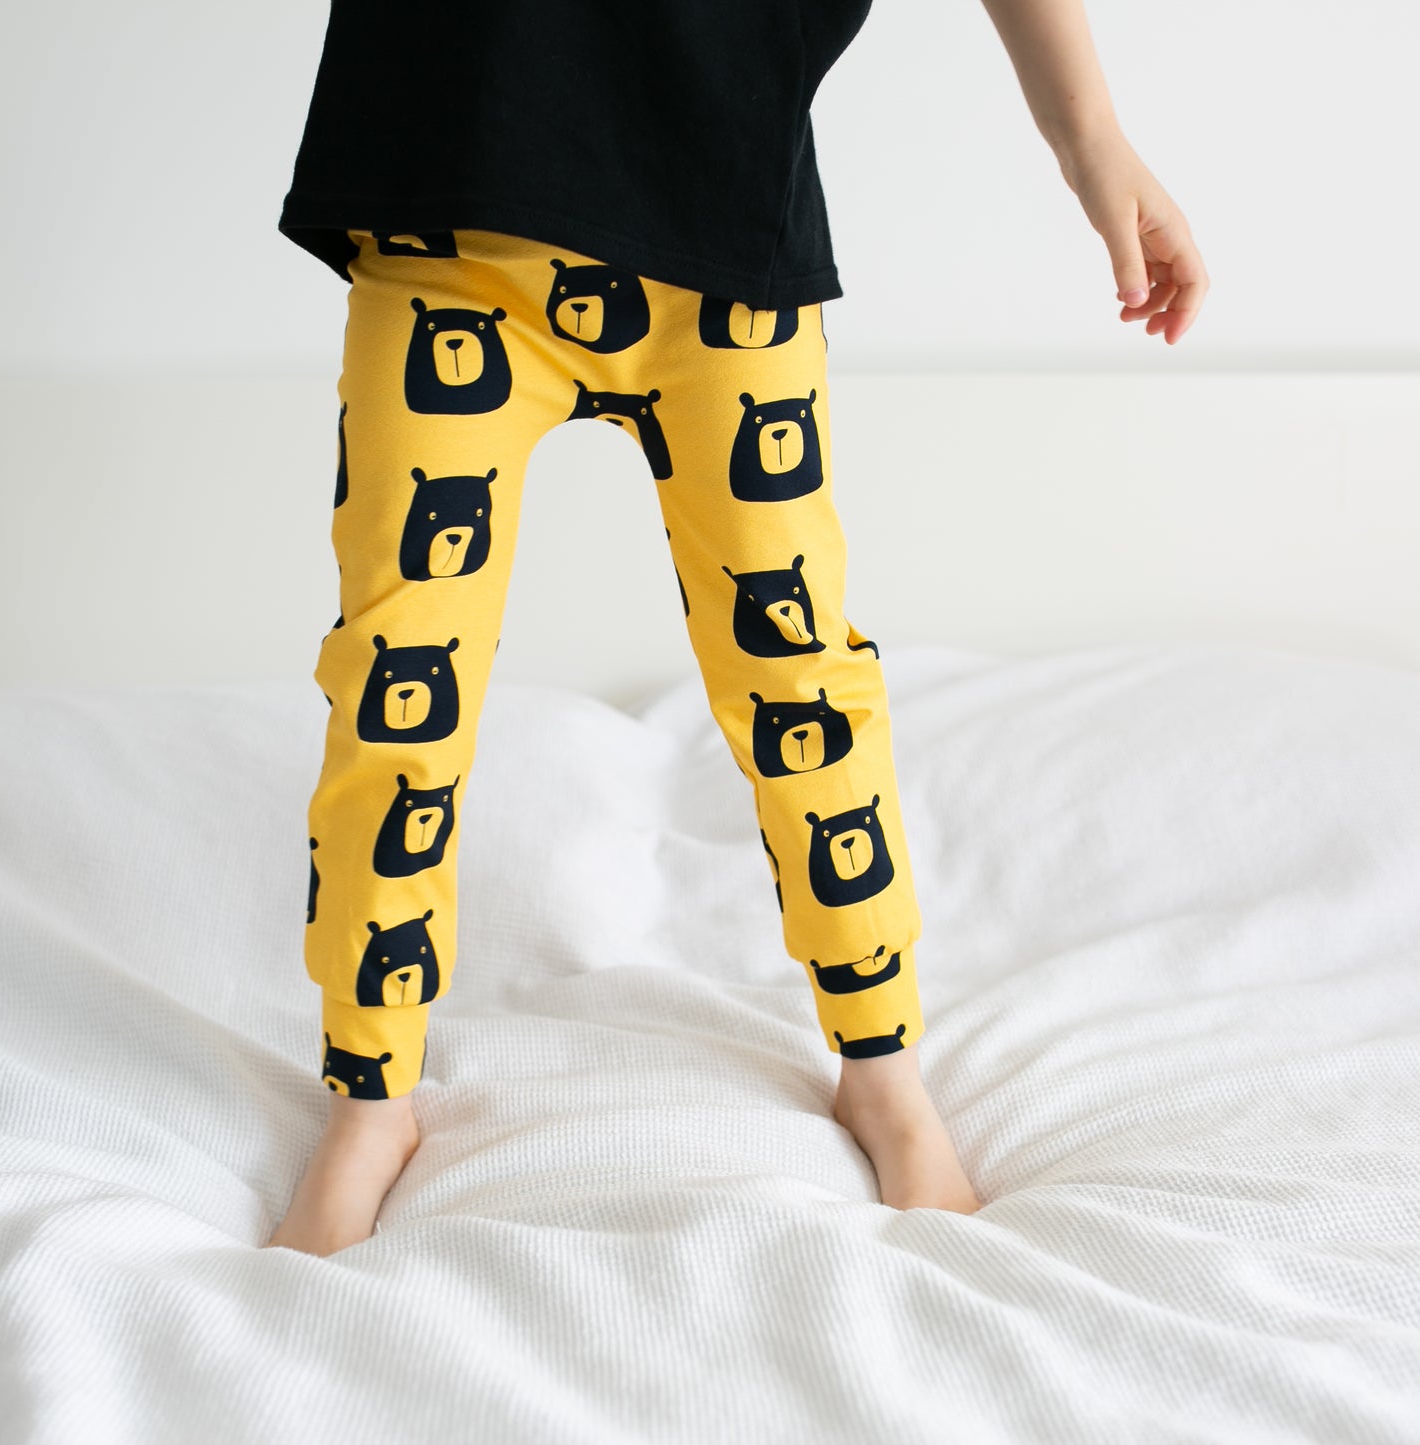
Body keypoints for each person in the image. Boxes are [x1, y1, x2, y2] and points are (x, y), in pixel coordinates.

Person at [265, 0, 1209, 1257]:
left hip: (719, 234)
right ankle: (368, 1094)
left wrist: (1091, 143)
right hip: (452, 213)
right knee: (399, 674)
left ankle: (880, 1064)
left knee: (798, 675)